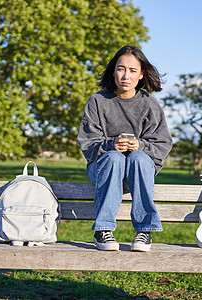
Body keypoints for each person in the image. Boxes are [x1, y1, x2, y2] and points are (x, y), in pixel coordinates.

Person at [77, 45, 173, 252]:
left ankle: (144, 231)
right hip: (104, 170)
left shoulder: (150, 104)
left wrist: (140, 145)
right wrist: (112, 145)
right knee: (114, 158)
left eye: (132, 70)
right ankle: (103, 230)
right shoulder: (97, 101)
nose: (125, 76)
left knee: (137, 157)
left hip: (139, 173)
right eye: (121, 69)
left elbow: (163, 144)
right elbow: (87, 143)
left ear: (141, 75)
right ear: (113, 71)